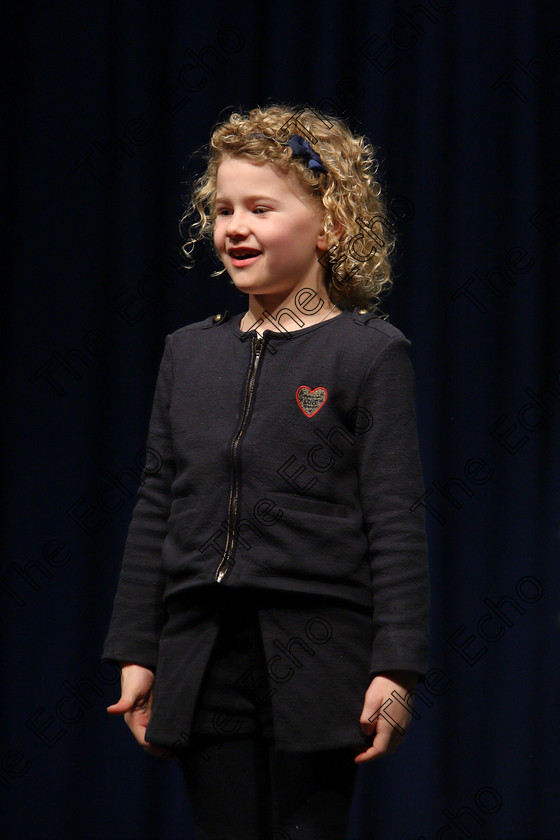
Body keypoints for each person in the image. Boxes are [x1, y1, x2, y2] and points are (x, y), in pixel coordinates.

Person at [102, 103, 430, 840]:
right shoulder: (189, 353)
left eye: (260, 207)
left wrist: (399, 666)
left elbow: (395, 516)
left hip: (318, 657)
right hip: (204, 651)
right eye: (222, 209)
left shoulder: (369, 353)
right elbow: (157, 501)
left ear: (330, 226)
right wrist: (135, 651)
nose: (234, 227)